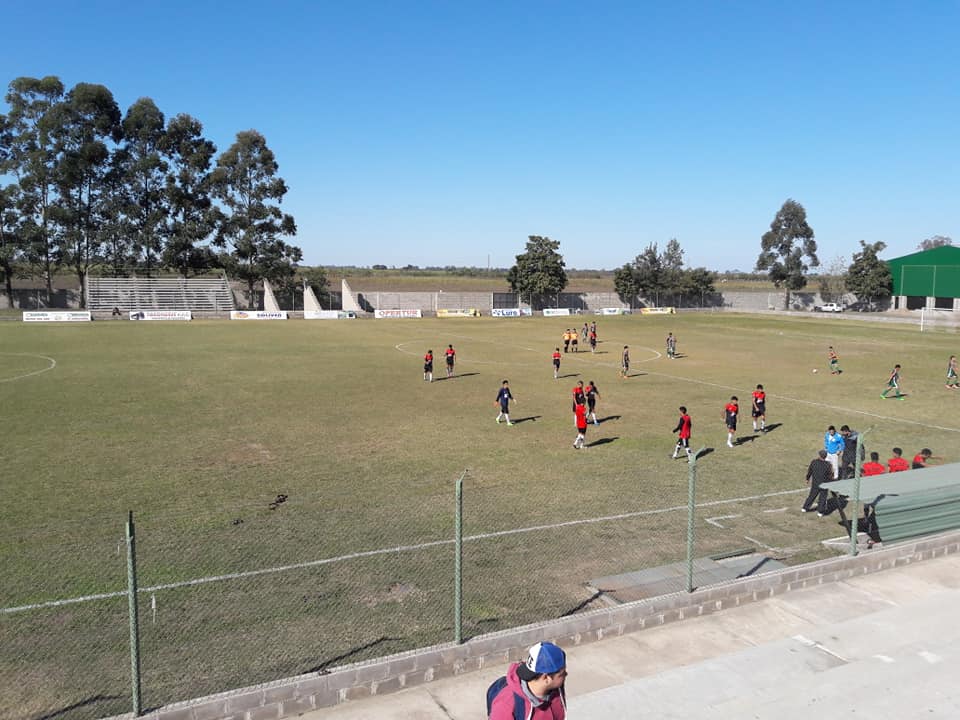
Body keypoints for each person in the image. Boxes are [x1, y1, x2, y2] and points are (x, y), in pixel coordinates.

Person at [487, 641, 567, 720]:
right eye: (562, 674)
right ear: (546, 678)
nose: (566, 674)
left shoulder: (556, 689)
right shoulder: (505, 705)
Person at [802, 449, 834, 516]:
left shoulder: (814, 462)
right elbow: (830, 476)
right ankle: (820, 512)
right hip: (824, 484)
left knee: (812, 496)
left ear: (819, 455)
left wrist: (807, 478)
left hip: (815, 483)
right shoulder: (828, 465)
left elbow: (810, 471)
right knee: (822, 498)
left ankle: (805, 507)